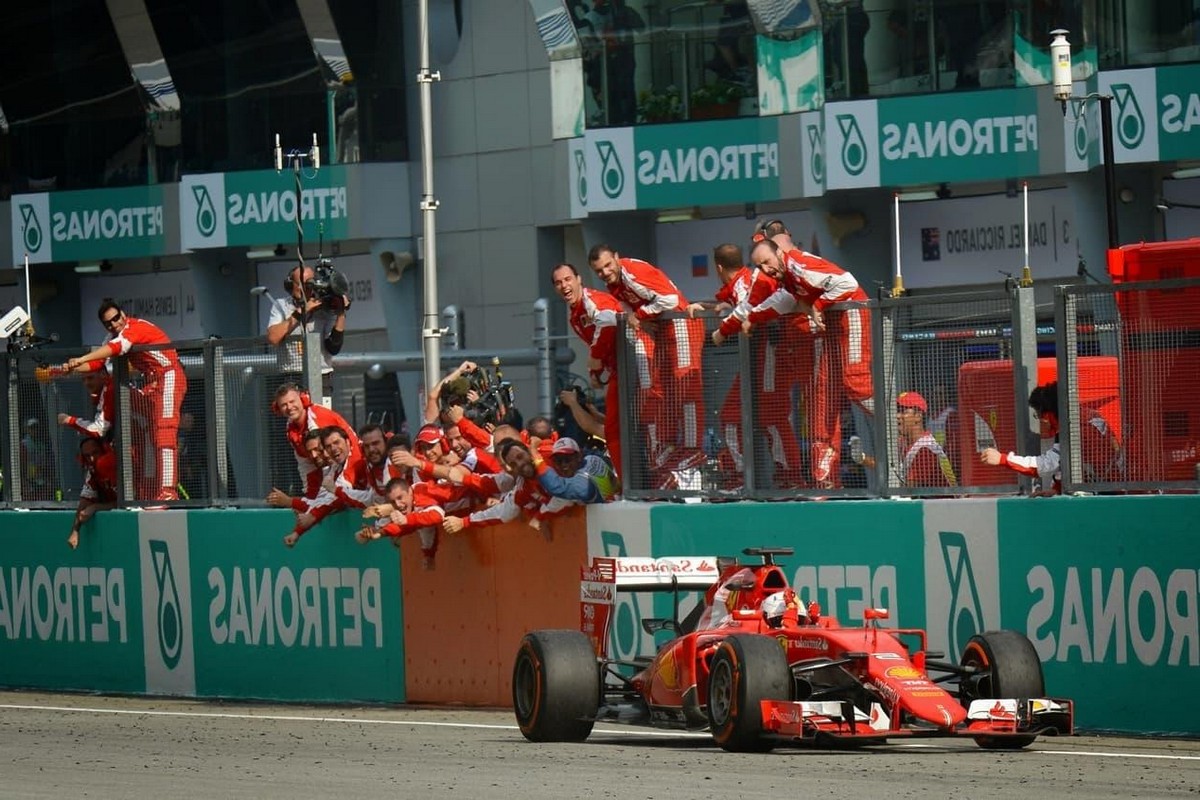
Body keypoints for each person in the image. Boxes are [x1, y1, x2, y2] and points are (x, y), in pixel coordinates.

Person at [748, 228, 872, 488]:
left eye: (767, 262)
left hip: (852, 317)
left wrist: (817, 306)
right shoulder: (787, 277)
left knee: (856, 383)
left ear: (781, 250)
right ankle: (825, 480)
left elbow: (848, 283)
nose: (766, 269)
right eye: (760, 266)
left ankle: (899, 416)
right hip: (831, 328)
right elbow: (786, 301)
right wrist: (742, 318)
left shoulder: (799, 265)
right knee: (822, 401)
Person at [588, 244, 706, 489]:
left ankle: (693, 450)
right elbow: (629, 307)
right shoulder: (615, 282)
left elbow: (670, 299)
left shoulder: (631, 273)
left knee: (687, 390)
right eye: (599, 270)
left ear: (617, 258)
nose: (605, 272)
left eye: (608, 265)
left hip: (681, 326)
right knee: (666, 393)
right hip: (665, 332)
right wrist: (639, 316)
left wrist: (641, 315)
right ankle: (674, 453)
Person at [691, 242, 807, 490]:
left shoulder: (748, 282)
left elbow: (747, 308)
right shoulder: (746, 281)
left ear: (718, 267)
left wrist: (720, 332)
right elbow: (746, 303)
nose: (765, 270)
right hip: (762, 357)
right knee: (735, 415)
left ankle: (787, 479)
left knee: (772, 415)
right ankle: (743, 478)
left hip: (772, 351)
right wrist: (718, 307)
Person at [64, 299, 187, 502]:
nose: (114, 324)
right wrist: (71, 366)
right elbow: (97, 363)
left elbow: (117, 348)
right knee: (149, 433)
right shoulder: (112, 337)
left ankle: (167, 491)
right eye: (108, 323)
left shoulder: (134, 328)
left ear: (123, 314)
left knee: (165, 431)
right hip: (151, 383)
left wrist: (82, 360)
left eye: (116, 318)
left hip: (168, 376)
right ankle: (150, 491)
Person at [981, 381, 1122, 493]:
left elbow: (1045, 466)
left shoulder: (1074, 429)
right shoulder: (1087, 418)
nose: (1041, 421)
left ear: (1048, 415)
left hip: (1103, 496)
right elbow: (1074, 466)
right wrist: (1057, 489)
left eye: (1038, 415)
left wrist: (1003, 459)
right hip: (1112, 489)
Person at [552, 261, 624, 477]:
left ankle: (631, 484)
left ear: (579, 279)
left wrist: (595, 357)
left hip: (634, 366)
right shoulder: (575, 316)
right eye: (558, 283)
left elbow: (610, 320)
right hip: (618, 372)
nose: (564, 286)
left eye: (567, 279)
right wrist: (595, 372)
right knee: (616, 428)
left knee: (628, 429)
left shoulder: (592, 300)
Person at [265, 263, 351, 397]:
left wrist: (341, 312)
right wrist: (301, 312)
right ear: (290, 285)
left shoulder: (324, 308)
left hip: (321, 374)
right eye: (300, 284)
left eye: (308, 284)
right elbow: (273, 338)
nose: (304, 288)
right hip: (292, 375)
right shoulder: (281, 306)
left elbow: (333, 347)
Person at [852, 391, 957, 488]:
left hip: (942, 505)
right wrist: (862, 458)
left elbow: (908, 490)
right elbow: (888, 466)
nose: (897, 416)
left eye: (903, 411)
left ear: (918, 416)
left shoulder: (926, 449)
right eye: (897, 411)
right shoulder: (902, 442)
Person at [273, 382, 358, 500]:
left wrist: (320, 499)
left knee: (330, 501)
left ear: (303, 399)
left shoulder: (317, 417)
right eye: (284, 405)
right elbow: (305, 466)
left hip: (352, 465)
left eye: (292, 402)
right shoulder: (291, 429)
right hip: (334, 472)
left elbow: (331, 459)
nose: (289, 407)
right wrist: (311, 496)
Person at [532, 436, 620, 504]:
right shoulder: (592, 458)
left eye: (567, 459)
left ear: (579, 456)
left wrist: (534, 453)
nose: (564, 465)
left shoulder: (583, 481)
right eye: (558, 461)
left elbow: (558, 487)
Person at [67, 437, 118, 550]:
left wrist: (95, 507)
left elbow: (126, 504)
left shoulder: (120, 466)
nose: (92, 458)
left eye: (95, 453)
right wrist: (75, 531)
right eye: (87, 456)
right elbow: (84, 503)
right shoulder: (92, 473)